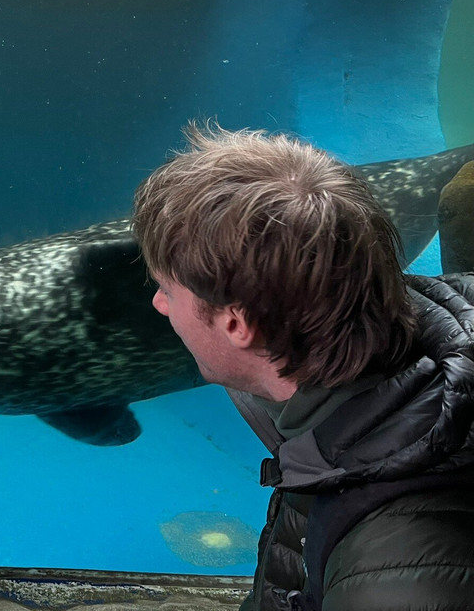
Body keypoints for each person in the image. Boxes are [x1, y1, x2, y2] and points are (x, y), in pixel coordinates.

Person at [131, 122, 474, 611]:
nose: (159, 304)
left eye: (168, 289)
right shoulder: (342, 410)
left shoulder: (394, 578)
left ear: (236, 324)